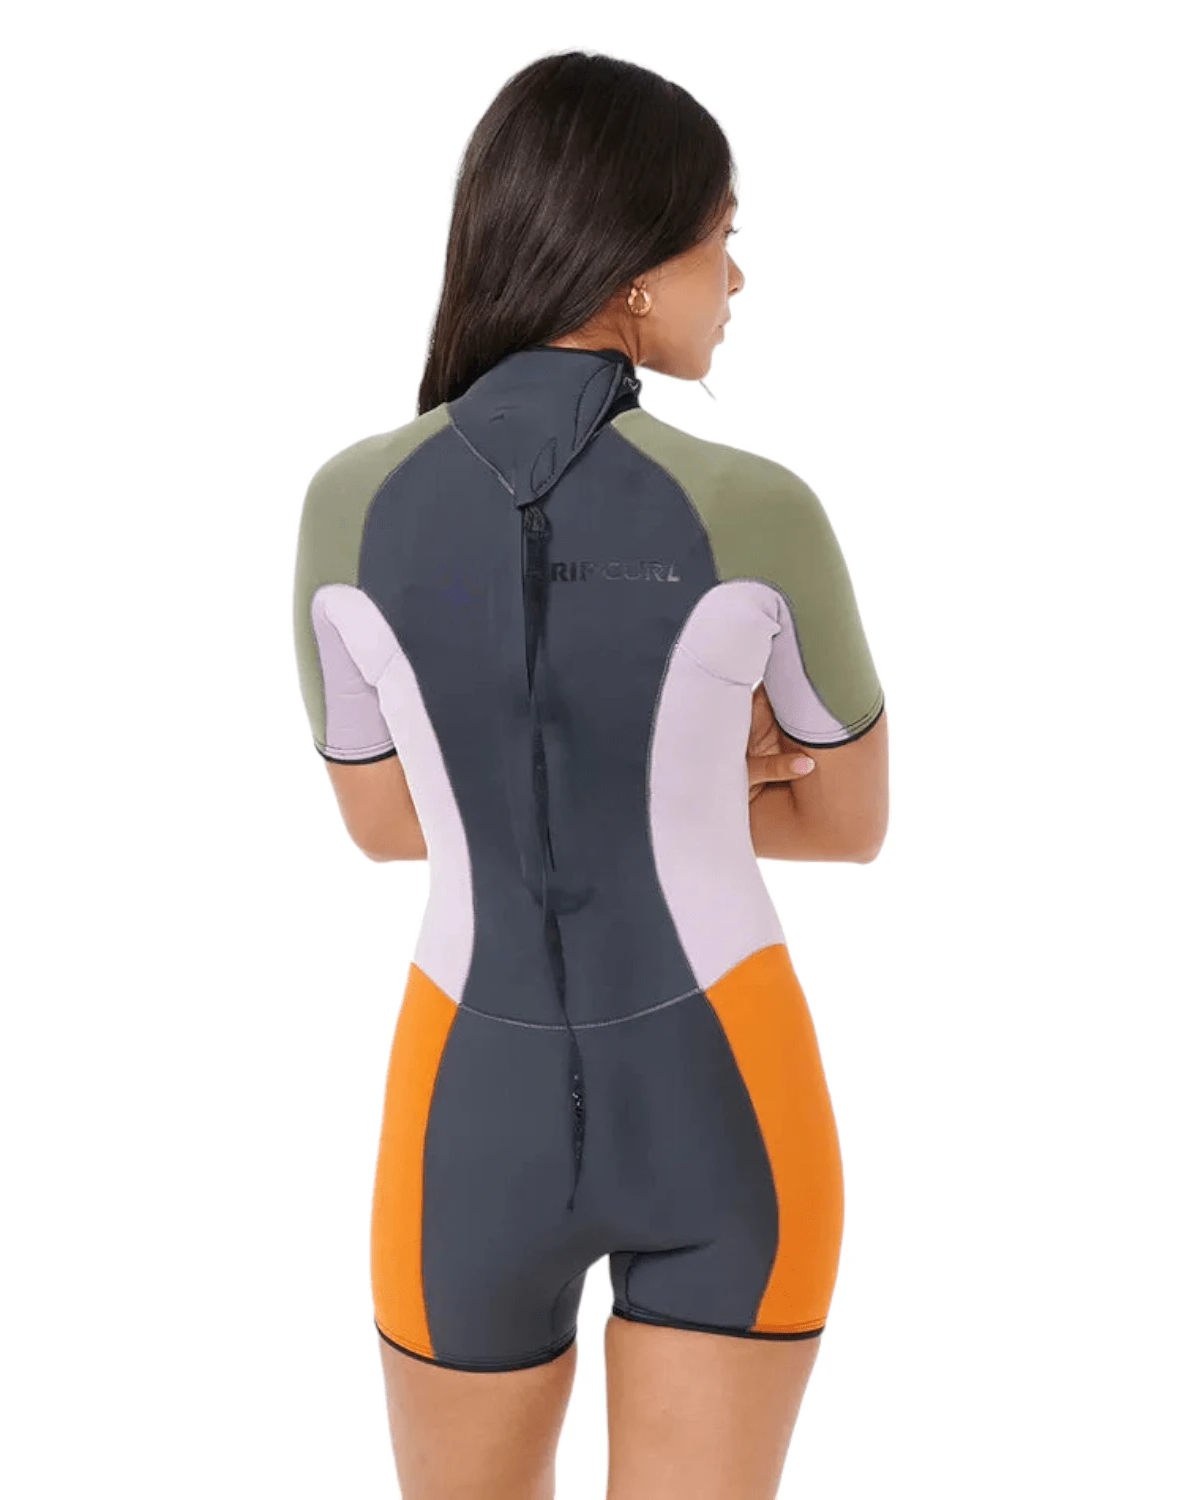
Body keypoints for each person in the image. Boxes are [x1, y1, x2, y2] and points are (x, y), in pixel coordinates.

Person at [292, 49, 889, 1500]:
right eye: (721, 239)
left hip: (464, 1111)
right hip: (729, 1096)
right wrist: (702, 781)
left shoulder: (350, 504)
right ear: (632, 268)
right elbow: (849, 821)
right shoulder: (758, 509)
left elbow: (387, 822)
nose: (735, 279)